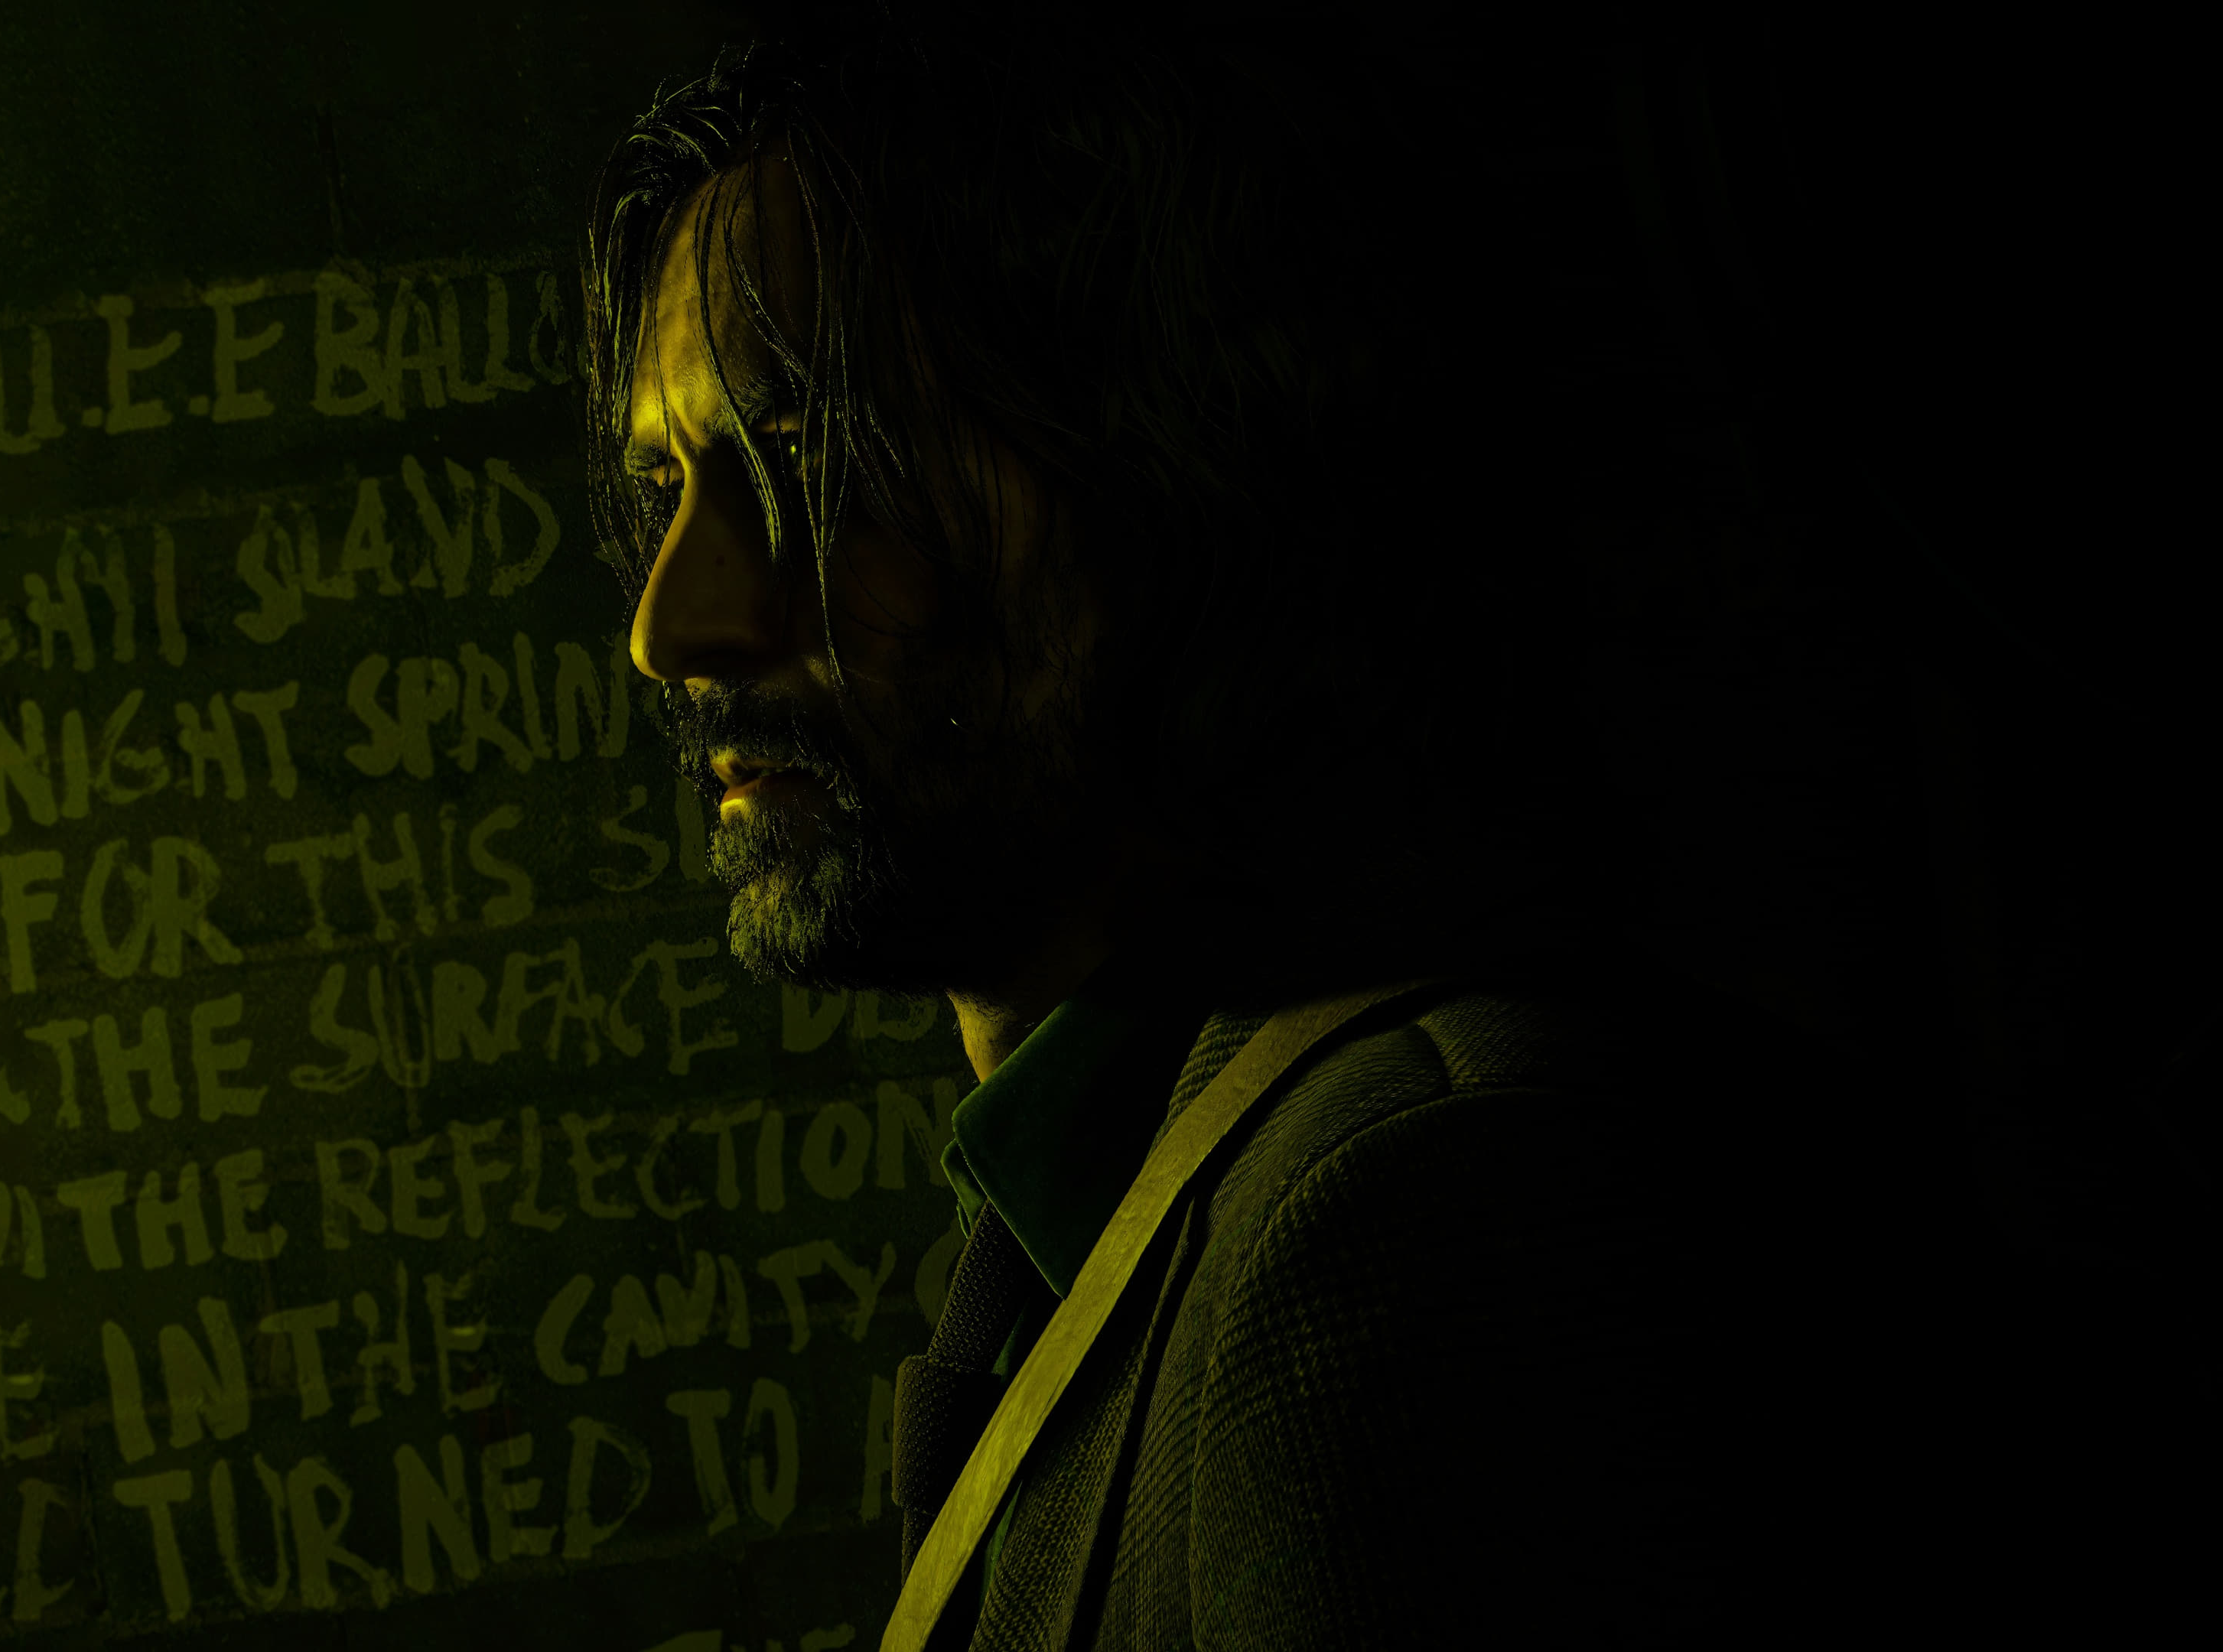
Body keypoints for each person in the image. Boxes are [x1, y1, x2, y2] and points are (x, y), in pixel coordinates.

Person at [581, 18, 1803, 1648]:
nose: (673, 625)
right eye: (663, 485)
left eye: (815, 460)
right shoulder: (1117, 1200)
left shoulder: (1413, 1217)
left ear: (1171, 465)